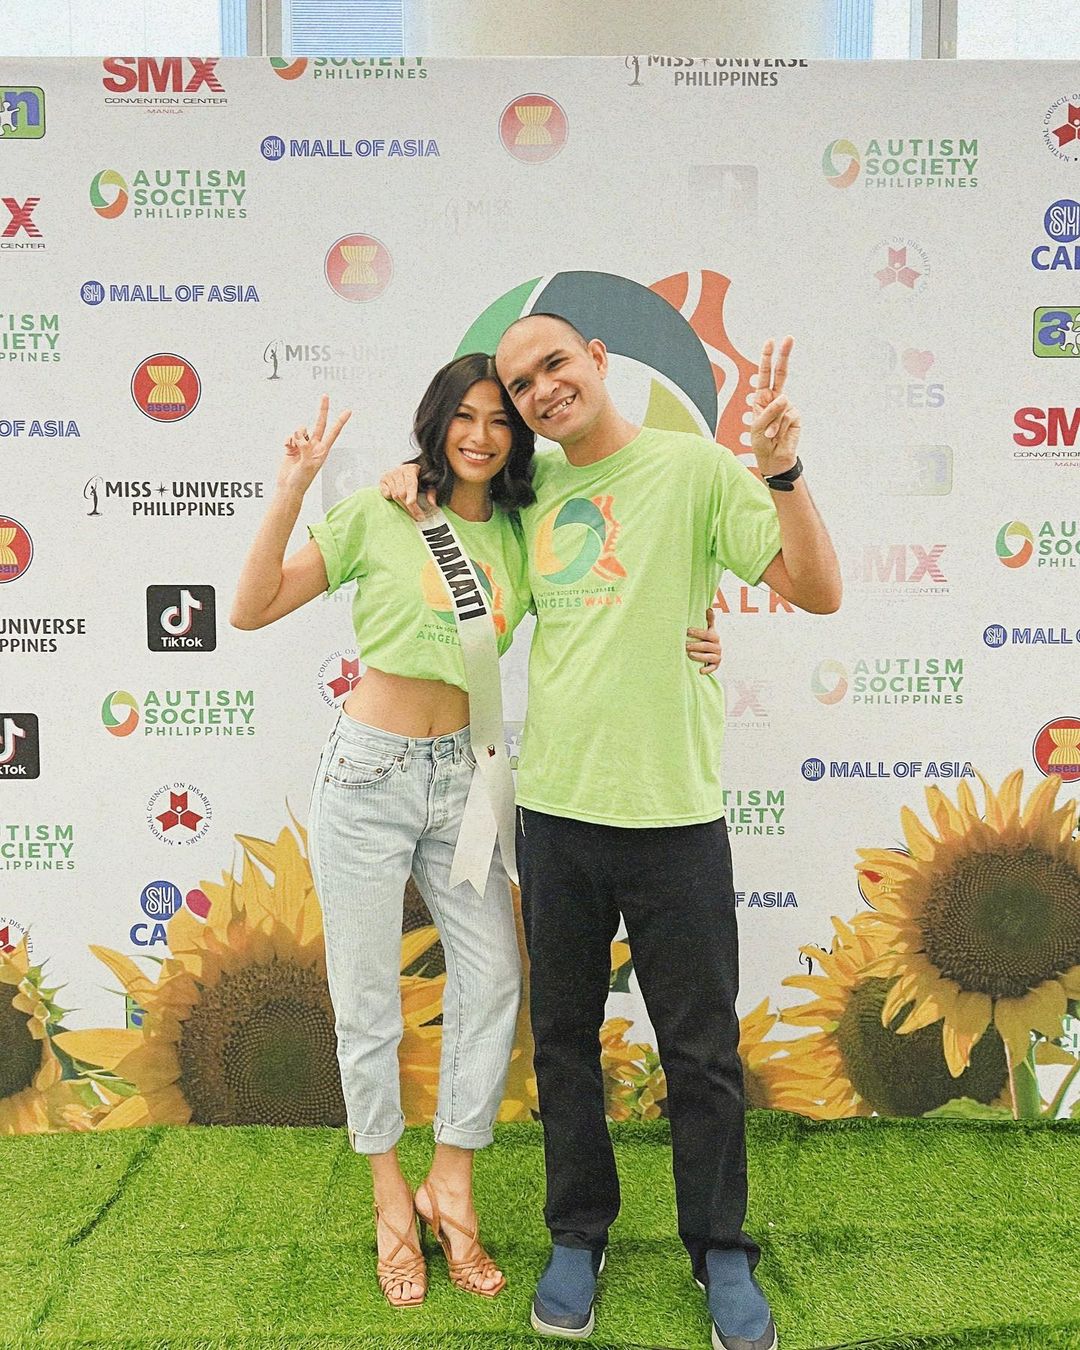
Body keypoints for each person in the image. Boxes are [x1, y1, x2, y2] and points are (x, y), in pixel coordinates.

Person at [381, 317, 841, 1350]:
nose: (540, 392)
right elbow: (455, 542)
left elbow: (817, 589)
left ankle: (720, 1250)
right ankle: (577, 1234)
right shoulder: (529, 493)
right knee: (563, 1041)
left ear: (596, 356)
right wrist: (397, 483)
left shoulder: (697, 469)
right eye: (519, 384)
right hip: (556, 814)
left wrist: (783, 470)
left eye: (554, 365)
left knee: (702, 1050)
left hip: (675, 814)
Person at [231, 354, 725, 1312]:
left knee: (496, 979)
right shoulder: (381, 512)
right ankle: (389, 1201)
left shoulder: (524, 527)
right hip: (368, 775)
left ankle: (448, 1180)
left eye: (501, 421)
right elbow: (252, 608)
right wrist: (292, 487)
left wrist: (702, 635)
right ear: (437, 422)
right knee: (368, 999)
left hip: (467, 778)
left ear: (519, 436)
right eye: (465, 417)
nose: (482, 436)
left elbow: (612, 606)